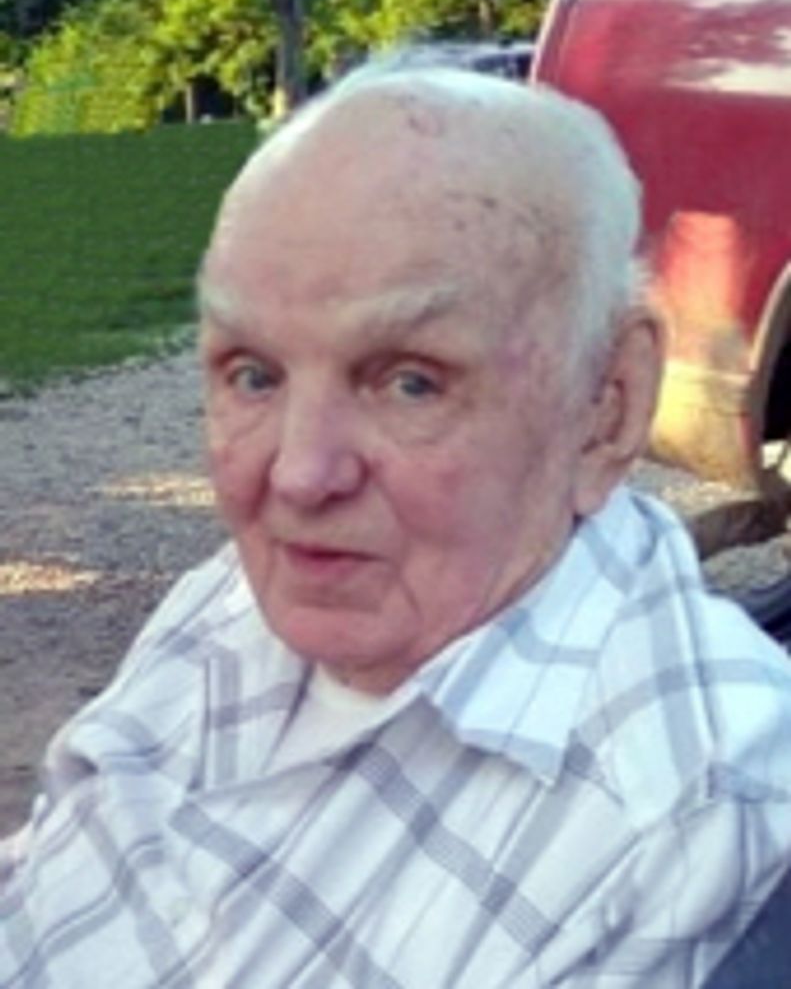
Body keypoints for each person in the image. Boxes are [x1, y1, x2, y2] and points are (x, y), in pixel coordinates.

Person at [2, 51, 791, 988]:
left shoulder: (685, 819)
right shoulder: (250, 591)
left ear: (608, 403)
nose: (299, 475)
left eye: (410, 381)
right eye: (252, 374)